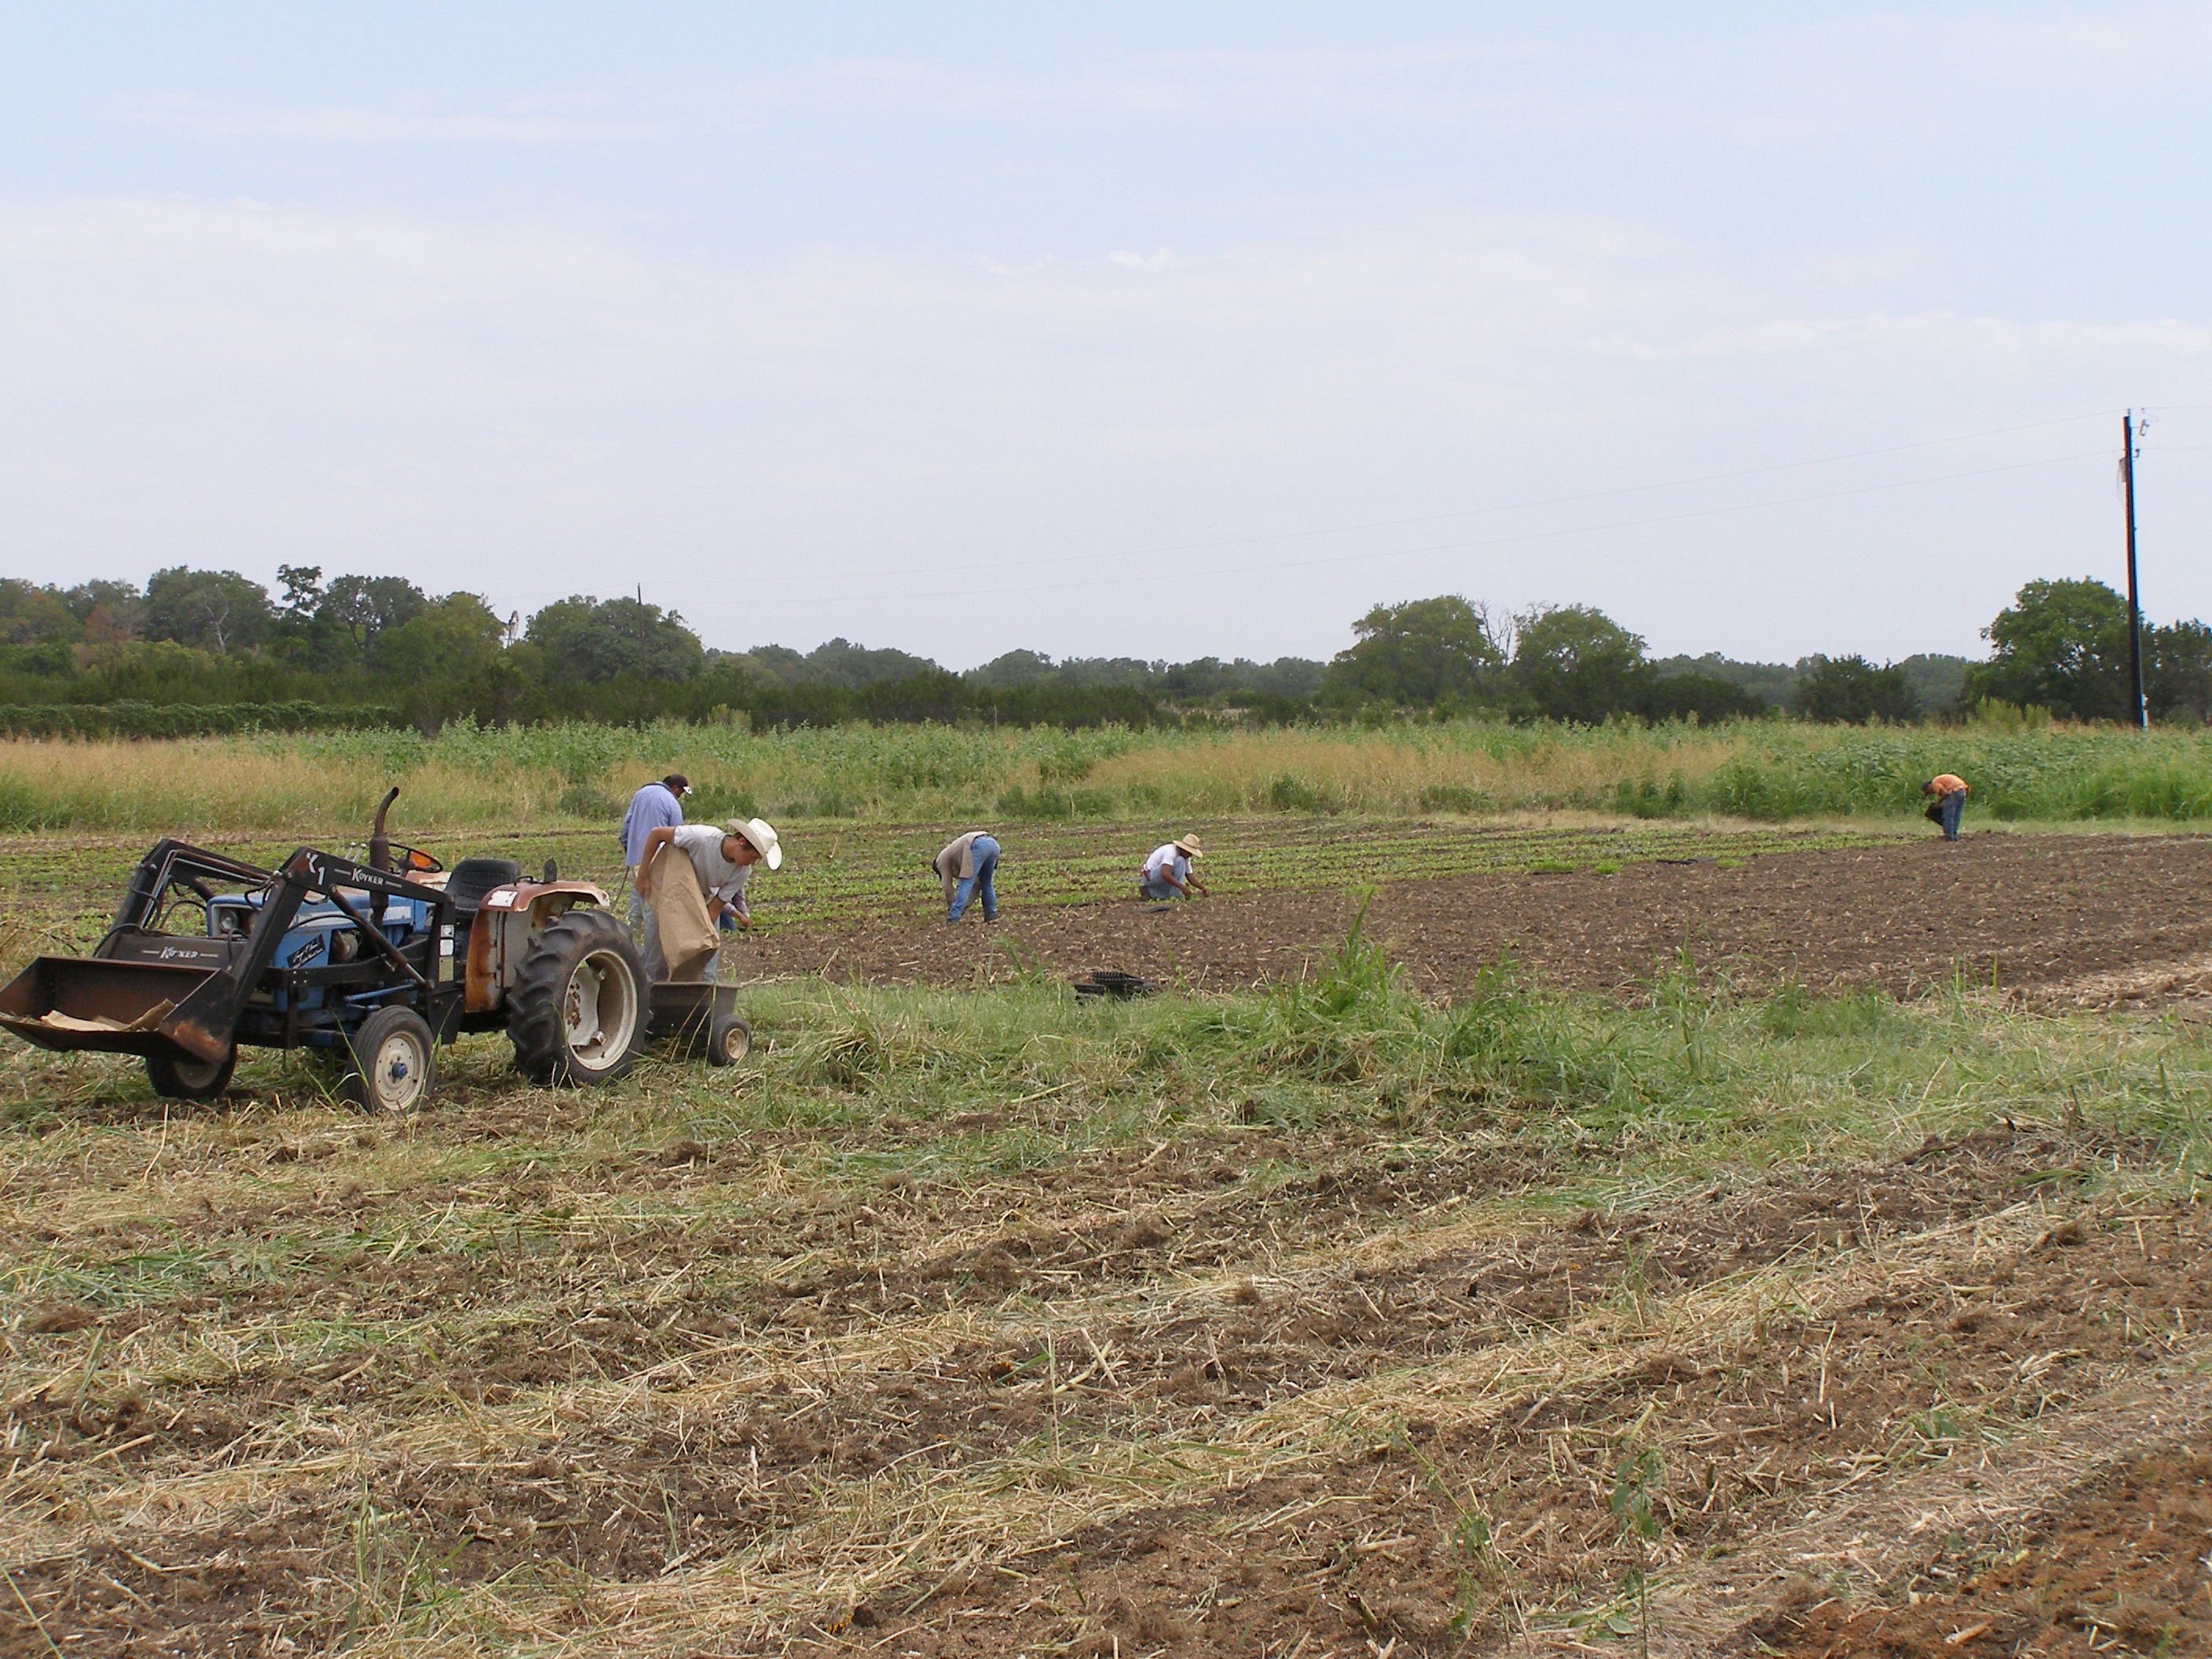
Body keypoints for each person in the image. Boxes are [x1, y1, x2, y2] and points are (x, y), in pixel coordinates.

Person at [635, 817, 782, 982]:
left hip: (703, 902)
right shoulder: (702, 837)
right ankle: (650, 1003)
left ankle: (699, 1003)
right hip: (668, 897)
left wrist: (698, 933)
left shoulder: (742, 872)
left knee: (706, 959)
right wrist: (643, 876)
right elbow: (657, 834)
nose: (752, 863)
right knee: (655, 961)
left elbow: (715, 907)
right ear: (741, 842)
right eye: (753, 857)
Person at [618, 774, 690, 980]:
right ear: (676, 788)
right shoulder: (672, 804)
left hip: (637, 859)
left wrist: (631, 852)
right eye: (682, 792)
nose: (681, 796)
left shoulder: (640, 793)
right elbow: (678, 838)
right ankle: (650, 967)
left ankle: (631, 947)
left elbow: (626, 827)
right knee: (654, 912)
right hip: (658, 862)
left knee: (636, 907)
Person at [934, 830, 1000, 924]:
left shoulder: (941, 861)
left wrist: (953, 907)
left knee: (966, 882)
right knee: (986, 883)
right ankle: (991, 916)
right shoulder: (954, 857)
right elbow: (977, 885)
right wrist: (965, 906)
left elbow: (947, 886)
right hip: (993, 844)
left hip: (976, 845)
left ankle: (953, 919)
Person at [1138, 833, 1208, 901]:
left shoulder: (1185, 857)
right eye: (1189, 852)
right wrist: (1182, 888)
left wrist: (1203, 888)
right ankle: (1177, 895)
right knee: (1179, 862)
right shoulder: (1171, 851)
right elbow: (1165, 874)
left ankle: (1151, 892)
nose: (1190, 855)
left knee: (1172, 885)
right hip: (1149, 876)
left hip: (1157, 877)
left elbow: (1189, 876)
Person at [1921, 773, 1970, 841]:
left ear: (1928, 787)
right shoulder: (1941, 779)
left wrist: (1938, 803)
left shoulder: (1934, 783)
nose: (1931, 793)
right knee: (1956, 815)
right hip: (1963, 791)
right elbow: (1966, 787)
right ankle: (1954, 835)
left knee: (1948, 815)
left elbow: (1945, 794)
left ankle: (1949, 836)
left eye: (1928, 792)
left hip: (1954, 791)